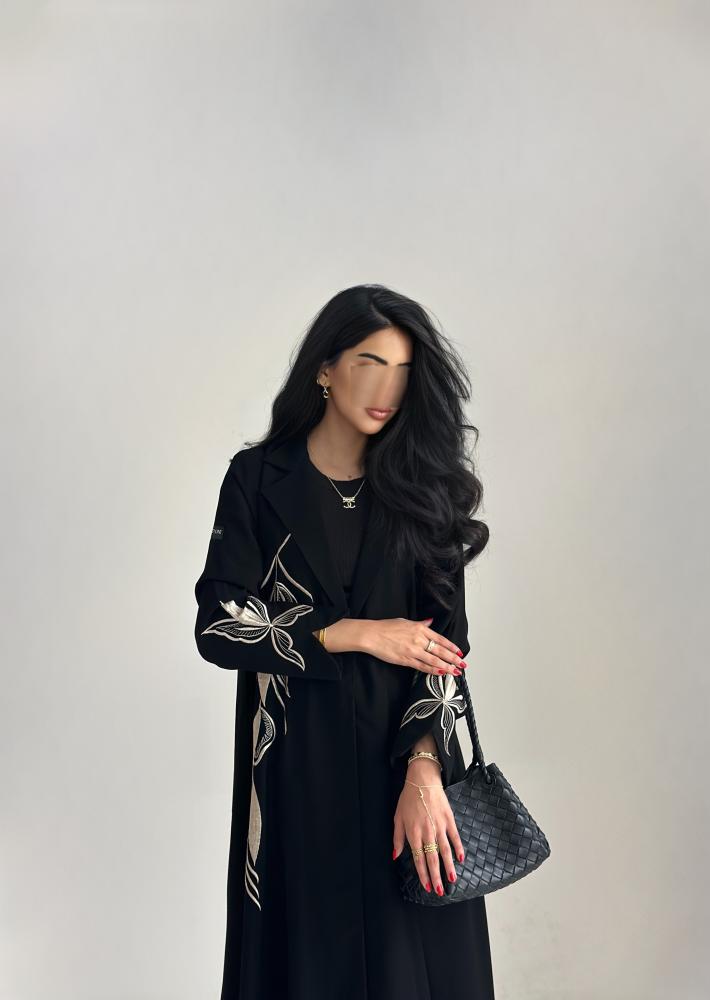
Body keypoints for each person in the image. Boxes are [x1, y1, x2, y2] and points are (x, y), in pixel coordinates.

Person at [193, 283, 494, 999]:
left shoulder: (424, 487)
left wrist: (423, 771)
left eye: (403, 371)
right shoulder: (258, 479)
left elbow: (445, 647)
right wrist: (350, 633)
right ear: (325, 369)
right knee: (309, 965)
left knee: (412, 967)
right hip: (299, 770)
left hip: (405, 763)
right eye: (369, 363)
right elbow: (219, 624)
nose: (387, 388)